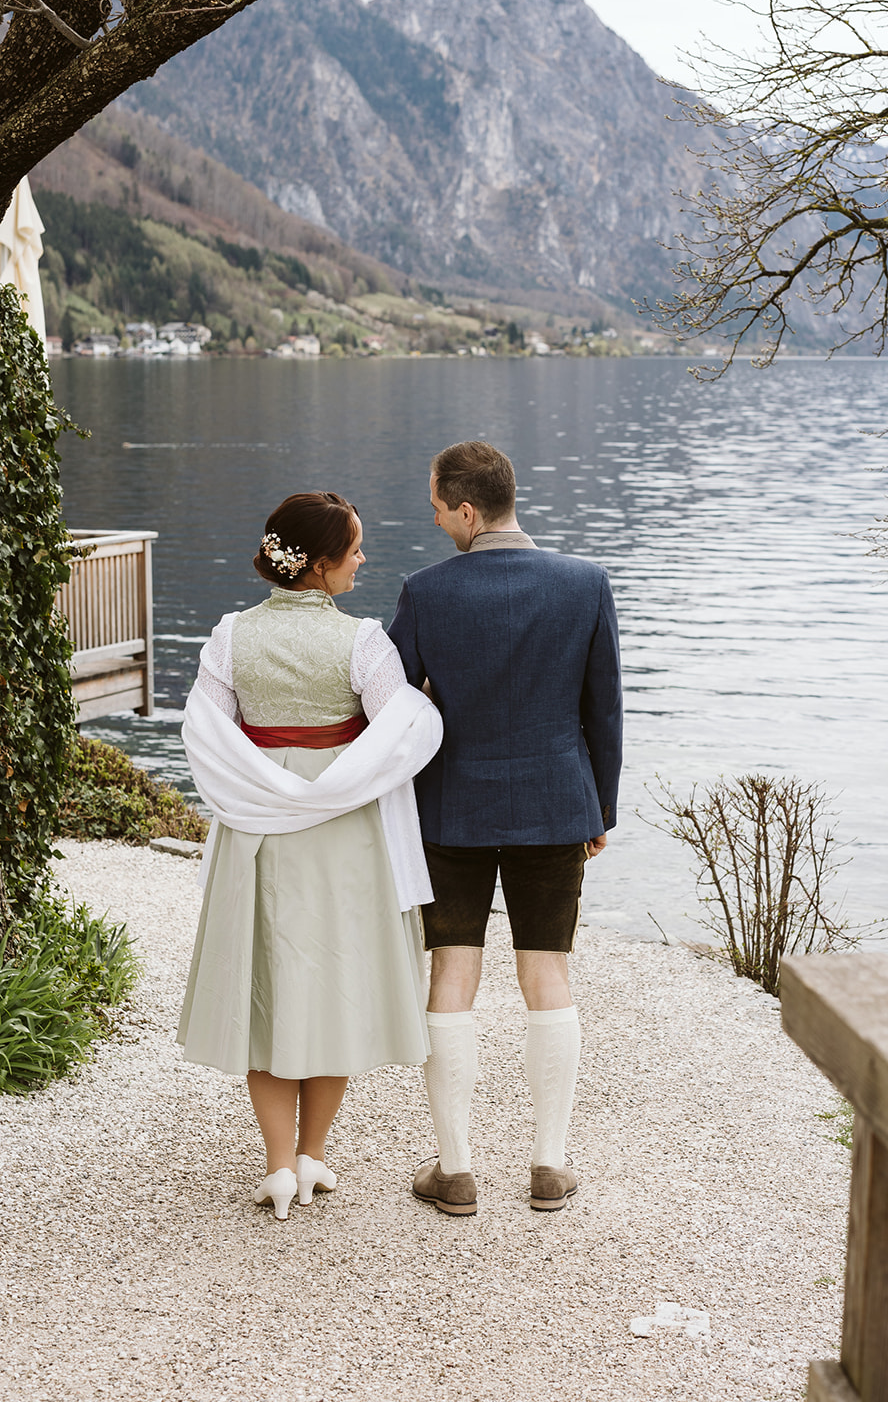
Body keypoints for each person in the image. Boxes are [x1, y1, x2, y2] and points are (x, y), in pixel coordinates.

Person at [179, 491, 442, 1220]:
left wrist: (261, 779)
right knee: (332, 985)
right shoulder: (364, 642)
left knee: (264, 988)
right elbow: (399, 731)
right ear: (320, 565)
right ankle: (312, 1155)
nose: (362, 560)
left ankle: (275, 1166)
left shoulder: (229, 635)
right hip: (341, 829)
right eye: (354, 550)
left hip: (257, 827)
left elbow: (206, 733)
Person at [387, 441, 623, 1215]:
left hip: (450, 809)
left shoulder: (425, 592)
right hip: (555, 804)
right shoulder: (585, 583)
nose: (434, 521)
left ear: (466, 509)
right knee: (546, 973)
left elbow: (393, 707)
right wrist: (599, 808)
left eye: (436, 508)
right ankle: (548, 1167)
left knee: (451, 973)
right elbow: (603, 710)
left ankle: (455, 1172)